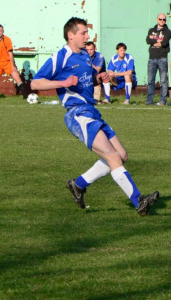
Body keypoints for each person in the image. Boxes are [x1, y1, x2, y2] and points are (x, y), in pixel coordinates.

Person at [31, 17, 159, 216]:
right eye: (83, 32)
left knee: (122, 156)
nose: (87, 36)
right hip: (78, 114)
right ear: (70, 35)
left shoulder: (84, 55)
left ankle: (78, 184)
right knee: (112, 156)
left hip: (92, 111)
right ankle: (139, 201)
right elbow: (35, 83)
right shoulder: (60, 57)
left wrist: (98, 77)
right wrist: (63, 83)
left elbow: (87, 77)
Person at [145, 13, 171, 105]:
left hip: (162, 58)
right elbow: (148, 40)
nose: (162, 21)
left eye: (164, 19)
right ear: (157, 19)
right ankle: (149, 100)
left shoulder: (167, 32)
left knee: (163, 81)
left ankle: (162, 100)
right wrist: (158, 40)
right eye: (160, 19)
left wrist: (154, 41)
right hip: (152, 58)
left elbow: (164, 43)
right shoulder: (151, 30)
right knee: (150, 81)